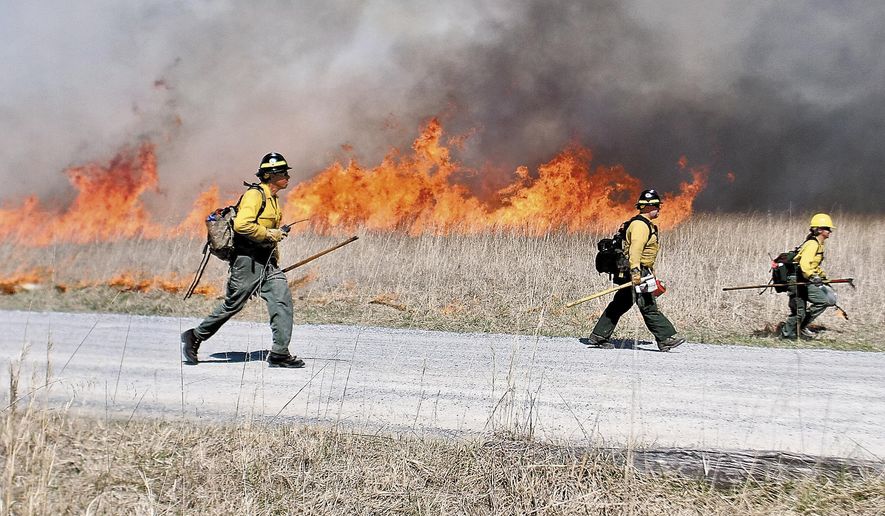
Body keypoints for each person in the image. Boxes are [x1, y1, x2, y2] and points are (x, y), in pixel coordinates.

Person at [181, 152, 304, 368]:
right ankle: (195, 336)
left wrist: (276, 236)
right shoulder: (255, 196)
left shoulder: (273, 199)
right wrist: (271, 234)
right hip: (247, 260)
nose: (287, 176)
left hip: (267, 261)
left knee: (282, 300)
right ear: (270, 175)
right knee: (233, 304)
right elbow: (242, 225)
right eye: (283, 172)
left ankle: (279, 353)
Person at [584, 189, 685, 352]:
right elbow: (635, 251)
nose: (659, 209)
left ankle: (599, 335)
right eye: (657, 206)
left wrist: (649, 272)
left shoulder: (643, 224)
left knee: (621, 303)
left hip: (637, 269)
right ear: (648, 207)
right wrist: (637, 273)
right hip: (635, 270)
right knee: (648, 304)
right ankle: (666, 338)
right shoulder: (640, 226)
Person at [780, 213, 837, 340]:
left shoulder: (819, 244)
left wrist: (822, 276)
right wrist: (813, 277)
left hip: (804, 279)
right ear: (820, 230)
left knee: (822, 302)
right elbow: (805, 265)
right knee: (800, 311)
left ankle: (799, 329)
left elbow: (813, 265)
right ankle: (787, 335)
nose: (830, 231)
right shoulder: (812, 244)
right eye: (828, 229)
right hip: (796, 279)